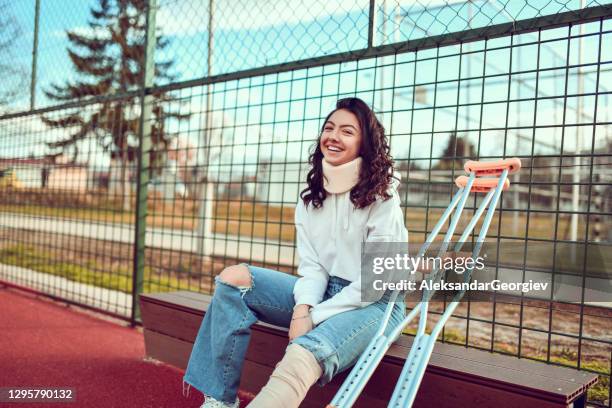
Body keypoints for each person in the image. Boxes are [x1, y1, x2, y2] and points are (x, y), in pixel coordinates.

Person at [183, 97, 408, 408]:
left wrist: (314, 316)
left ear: (364, 143)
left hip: (376, 303)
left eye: (346, 131)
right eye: (329, 128)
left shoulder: (384, 198)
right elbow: (314, 267)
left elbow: (374, 285)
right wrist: (304, 308)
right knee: (234, 280)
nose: (333, 136)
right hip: (328, 291)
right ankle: (221, 400)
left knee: (304, 349)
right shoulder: (310, 200)